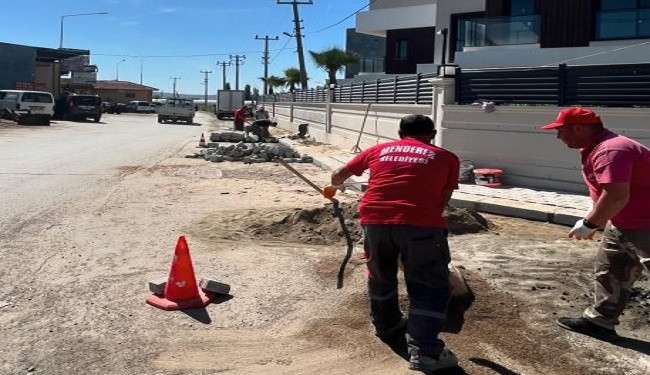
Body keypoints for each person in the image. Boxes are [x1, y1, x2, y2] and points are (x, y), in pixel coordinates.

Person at [330, 114, 460, 372]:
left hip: (374, 220)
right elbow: (442, 200)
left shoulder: (379, 149)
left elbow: (338, 175)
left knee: (380, 275)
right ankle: (426, 353)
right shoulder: (447, 157)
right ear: (432, 135)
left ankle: (386, 324)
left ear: (400, 133)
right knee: (428, 285)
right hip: (421, 224)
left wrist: (337, 186)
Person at [542, 107, 650, 341]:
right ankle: (600, 322)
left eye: (561, 131)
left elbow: (616, 196)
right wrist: (599, 218)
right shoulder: (598, 148)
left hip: (646, 224)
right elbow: (609, 195)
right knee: (611, 270)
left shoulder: (611, 150)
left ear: (579, 128)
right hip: (624, 222)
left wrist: (590, 223)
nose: (559, 138)